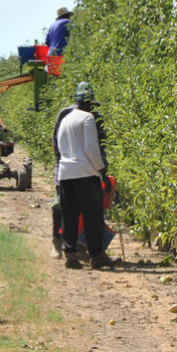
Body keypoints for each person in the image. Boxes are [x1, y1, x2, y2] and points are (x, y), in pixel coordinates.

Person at [54, 81, 114, 269]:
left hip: (66, 174)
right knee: (93, 216)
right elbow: (91, 149)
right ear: (89, 103)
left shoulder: (65, 118)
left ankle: (70, 254)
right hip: (86, 174)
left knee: (70, 215)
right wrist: (102, 173)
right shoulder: (87, 118)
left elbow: (59, 147)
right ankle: (96, 255)